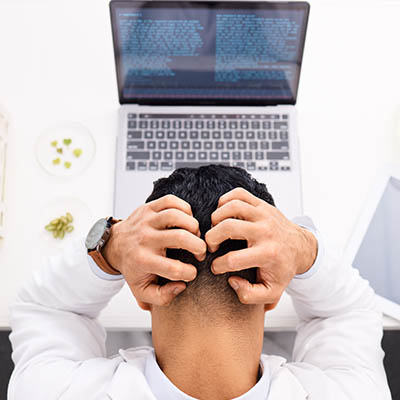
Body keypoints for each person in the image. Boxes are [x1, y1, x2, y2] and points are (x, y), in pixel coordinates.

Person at [8, 165, 390, 399]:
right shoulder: (355, 393)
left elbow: (45, 309)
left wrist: (109, 246)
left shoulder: (48, 390)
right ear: (271, 294)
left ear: (144, 294)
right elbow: (349, 312)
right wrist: (302, 247)